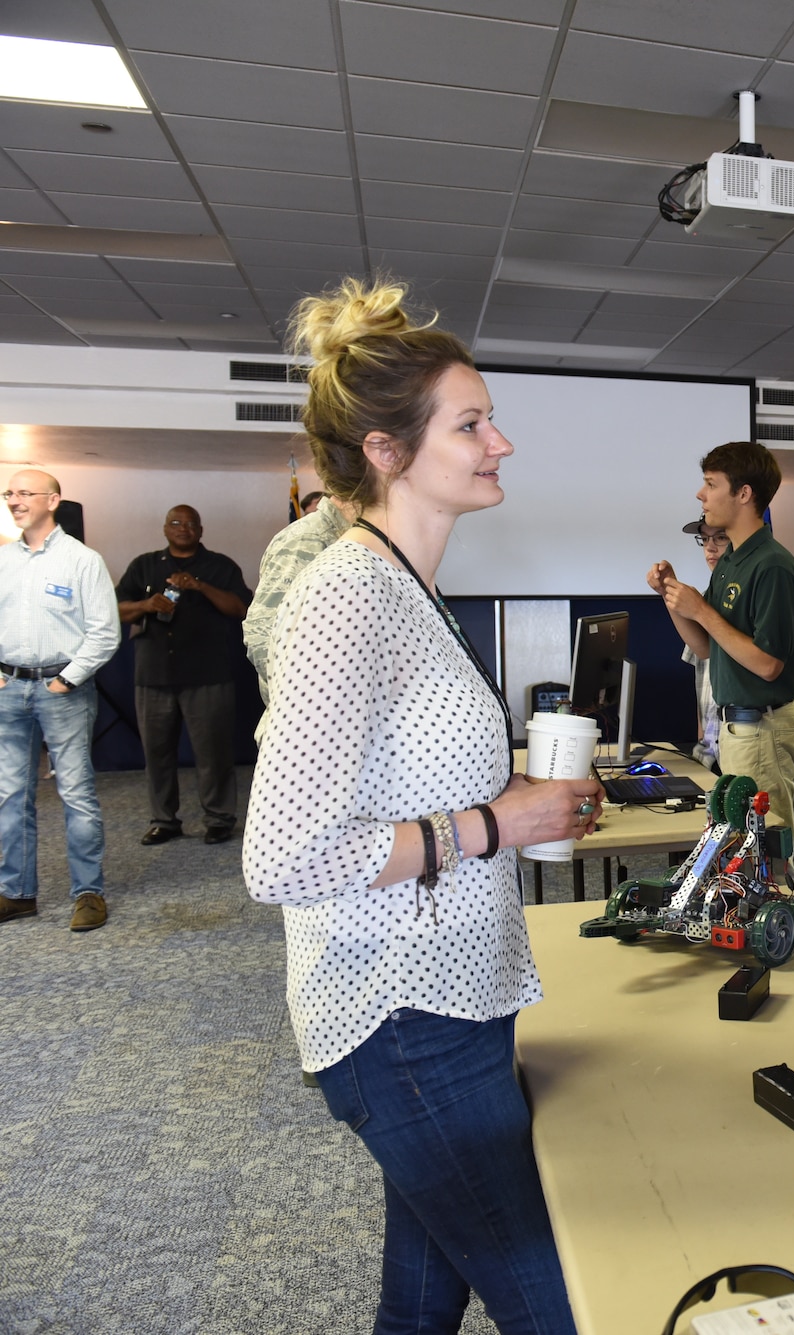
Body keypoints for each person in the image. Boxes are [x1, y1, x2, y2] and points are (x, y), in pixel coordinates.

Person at [244, 277, 600, 1334]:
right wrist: (502, 823)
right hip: (404, 1022)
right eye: (472, 423)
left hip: (454, 998)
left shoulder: (405, 586)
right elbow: (285, 858)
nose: (502, 443)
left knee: (421, 1300)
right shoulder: (345, 594)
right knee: (563, 1307)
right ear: (389, 452)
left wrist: (505, 799)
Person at [648, 441, 794, 847]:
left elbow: (769, 665)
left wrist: (700, 609)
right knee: (740, 850)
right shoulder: (733, 561)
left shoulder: (770, 564)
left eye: (710, 484)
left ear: (744, 494)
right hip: (738, 728)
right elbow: (705, 648)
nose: (701, 495)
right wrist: (672, 599)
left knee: (764, 848)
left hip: (762, 725)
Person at [0, 470, 118, 931]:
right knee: (10, 796)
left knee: (76, 794)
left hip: (63, 692)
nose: (13, 500)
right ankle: (17, 894)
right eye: (8, 493)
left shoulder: (83, 560)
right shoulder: (4, 560)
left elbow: (104, 632)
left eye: (23, 493)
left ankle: (88, 892)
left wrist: (66, 681)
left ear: (53, 500)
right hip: (9, 692)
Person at [116, 505, 252, 845]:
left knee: (214, 753)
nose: (183, 528)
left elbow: (240, 608)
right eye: (175, 523)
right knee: (157, 753)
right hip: (154, 676)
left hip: (208, 675)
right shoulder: (144, 566)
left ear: (200, 530)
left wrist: (199, 586)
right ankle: (164, 820)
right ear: (165, 529)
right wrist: (147, 606)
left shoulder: (220, 566)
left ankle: (219, 818)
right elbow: (114, 608)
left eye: (190, 524)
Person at [244, 491, 353, 742]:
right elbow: (264, 637)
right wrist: (308, 716)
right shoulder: (310, 537)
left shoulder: (358, 536)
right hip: (313, 735)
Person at [677, 516, 729, 769]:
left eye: (720, 538)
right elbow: (701, 666)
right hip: (709, 748)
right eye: (705, 539)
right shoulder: (707, 596)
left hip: (735, 741)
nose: (710, 547)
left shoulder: (740, 596)